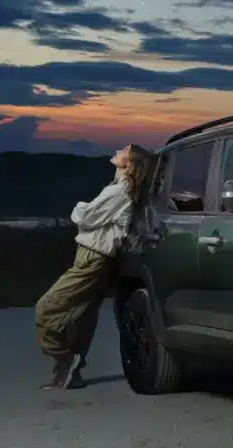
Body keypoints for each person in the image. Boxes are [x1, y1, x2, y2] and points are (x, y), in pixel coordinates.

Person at [35, 144, 155, 390]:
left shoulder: (120, 192)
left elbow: (85, 216)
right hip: (98, 258)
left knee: (46, 309)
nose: (118, 150)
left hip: (94, 258)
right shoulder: (119, 189)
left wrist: (79, 208)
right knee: (82, 316)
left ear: (130, 164)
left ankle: (64, 356)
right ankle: (70, 374)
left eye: (125, 150)